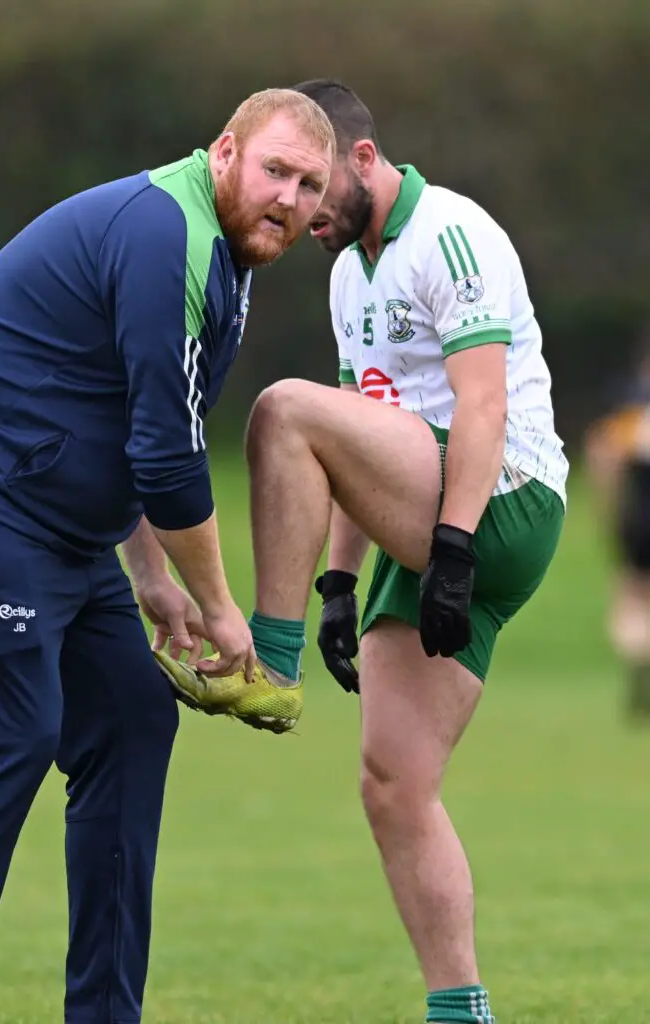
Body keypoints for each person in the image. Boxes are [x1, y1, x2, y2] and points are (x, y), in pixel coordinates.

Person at [0, 88, 334, 1024]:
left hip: (62, 520)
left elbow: (132, 416)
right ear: (224, 153)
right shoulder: (166, 236)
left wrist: (150, 574)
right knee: (12, 736)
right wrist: (218, 607)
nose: (288, 197)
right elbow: (168, 457)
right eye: (274, 169)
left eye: (308, 184)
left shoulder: (224, 258)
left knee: (130, 720)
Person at [156, 79, 568, 1023]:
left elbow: (483, 406)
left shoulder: (450, 233)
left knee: (282, 411)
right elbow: (361, 446)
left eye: (312, 185)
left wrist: (454, 550)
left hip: (497, 500)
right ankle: (458, 1008)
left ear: (365, 162)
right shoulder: (350, 273)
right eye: (285, 188)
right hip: (432, 520)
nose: (299, 210)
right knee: (393, 783)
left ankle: (270, 652)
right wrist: (340, 582)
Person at [584, 340, 650, 716]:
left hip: (638, 517)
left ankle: (639, 657)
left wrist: (608, 508)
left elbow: (601, 454)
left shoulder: (631, 412)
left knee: (632, 595)